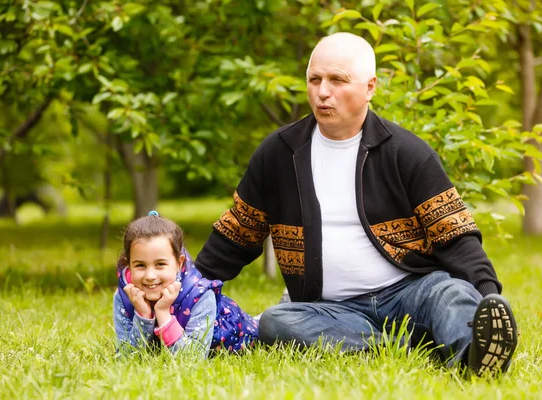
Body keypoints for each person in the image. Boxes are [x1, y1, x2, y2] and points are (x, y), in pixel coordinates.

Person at [194, 32, 518, 375]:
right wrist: (188, 288)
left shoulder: (407, 153)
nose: (322, 92)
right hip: (331, 309)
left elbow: (457, 238)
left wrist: (488, 301)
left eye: (337, 80)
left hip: (411, 291)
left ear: (370, 87)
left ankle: (475, 354)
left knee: (451, 294)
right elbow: (235, 237)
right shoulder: (278, 154)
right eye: (315, 79)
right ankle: (402, 345)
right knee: (277, 322)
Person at [113, 211, 258, 358]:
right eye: (140, 265)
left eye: (160, 264)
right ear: (128, 264)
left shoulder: (200, 295)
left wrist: (163, 313)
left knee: (267, 325)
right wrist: (143, 316)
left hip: (243, 333)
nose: (150, 276)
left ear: (178, 263)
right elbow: (126, 358)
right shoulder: (125, 296)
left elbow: (192, 358)